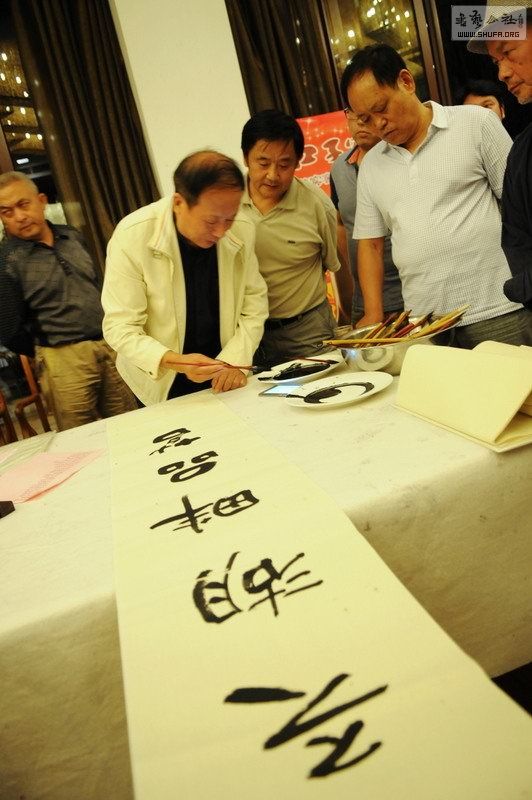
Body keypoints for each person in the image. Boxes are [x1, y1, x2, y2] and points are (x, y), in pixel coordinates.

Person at [342, 44, 529, 349]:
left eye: (381, 108)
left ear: (406, 81)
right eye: (365, 119)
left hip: (499, 308)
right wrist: (373, 315)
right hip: (425, 325)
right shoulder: (372, 165)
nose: (378, 124)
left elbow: (520, 207)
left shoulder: (476, 123)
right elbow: (371, 244)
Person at [102, 150, 268, 406]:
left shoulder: (242, 228)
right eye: (211, 221)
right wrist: (175, 361)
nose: (221, 231)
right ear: (179, 203)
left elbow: (254, 304)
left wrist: (234, 360)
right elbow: (120, 327)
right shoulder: (133, 235)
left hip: (224, 368)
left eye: (230, 218)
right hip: (161, 375)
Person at [0, 171, 136, 431]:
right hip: (62, 359)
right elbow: (8, 329)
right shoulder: (7, 259)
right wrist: (47, 348)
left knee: (129, 425)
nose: (19, 216)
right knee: (78, 438)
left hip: (108, 346)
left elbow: (98, 285)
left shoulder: (72, 236)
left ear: (41, 201)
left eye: (23, 204)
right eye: (7, 212)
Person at [240, 109, 342, 365]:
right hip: (248, 336)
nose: (273, 175)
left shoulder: (317, 205)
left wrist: (349, 317)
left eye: (284, 165)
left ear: (298, 162)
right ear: (245, 158)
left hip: (307, 330)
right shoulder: (225, 206)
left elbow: (334, 266)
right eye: (263, 163)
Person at [468, 8, 532, 338]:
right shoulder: (522, 152)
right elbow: (517, 240)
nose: (503, 73)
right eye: (496, 61)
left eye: (508, 52)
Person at [330, 110, 403, 323]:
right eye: (352, 113)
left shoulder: (402, 159)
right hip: (363, 302)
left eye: (366, 113)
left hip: (408, 296)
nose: (360, 122)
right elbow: (341, 224)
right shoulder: (339, 168)